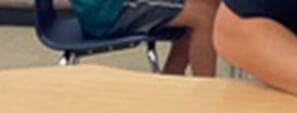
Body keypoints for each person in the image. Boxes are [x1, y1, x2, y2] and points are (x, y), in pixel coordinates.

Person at [67, 0, 220, 77]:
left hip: (106, 7)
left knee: (207, 4)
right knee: (203, 17)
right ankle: (207, 99)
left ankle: (170, 82)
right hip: (108, 11)